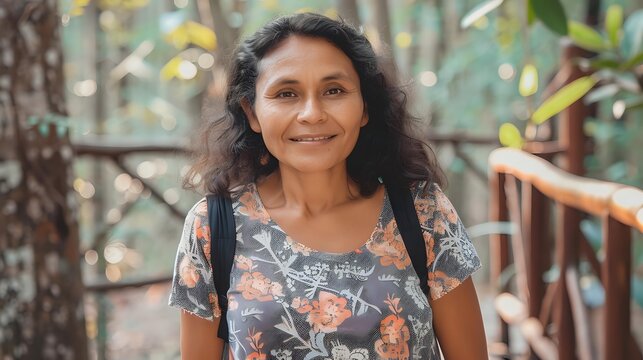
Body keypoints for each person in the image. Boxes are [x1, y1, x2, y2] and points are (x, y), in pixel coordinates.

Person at [169, 12, 487, 360]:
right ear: (252, 113)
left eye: (333, 90)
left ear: (365, 107)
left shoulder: (424, 213)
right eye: (286, 93)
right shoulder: (212, 228)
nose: (312, 113)